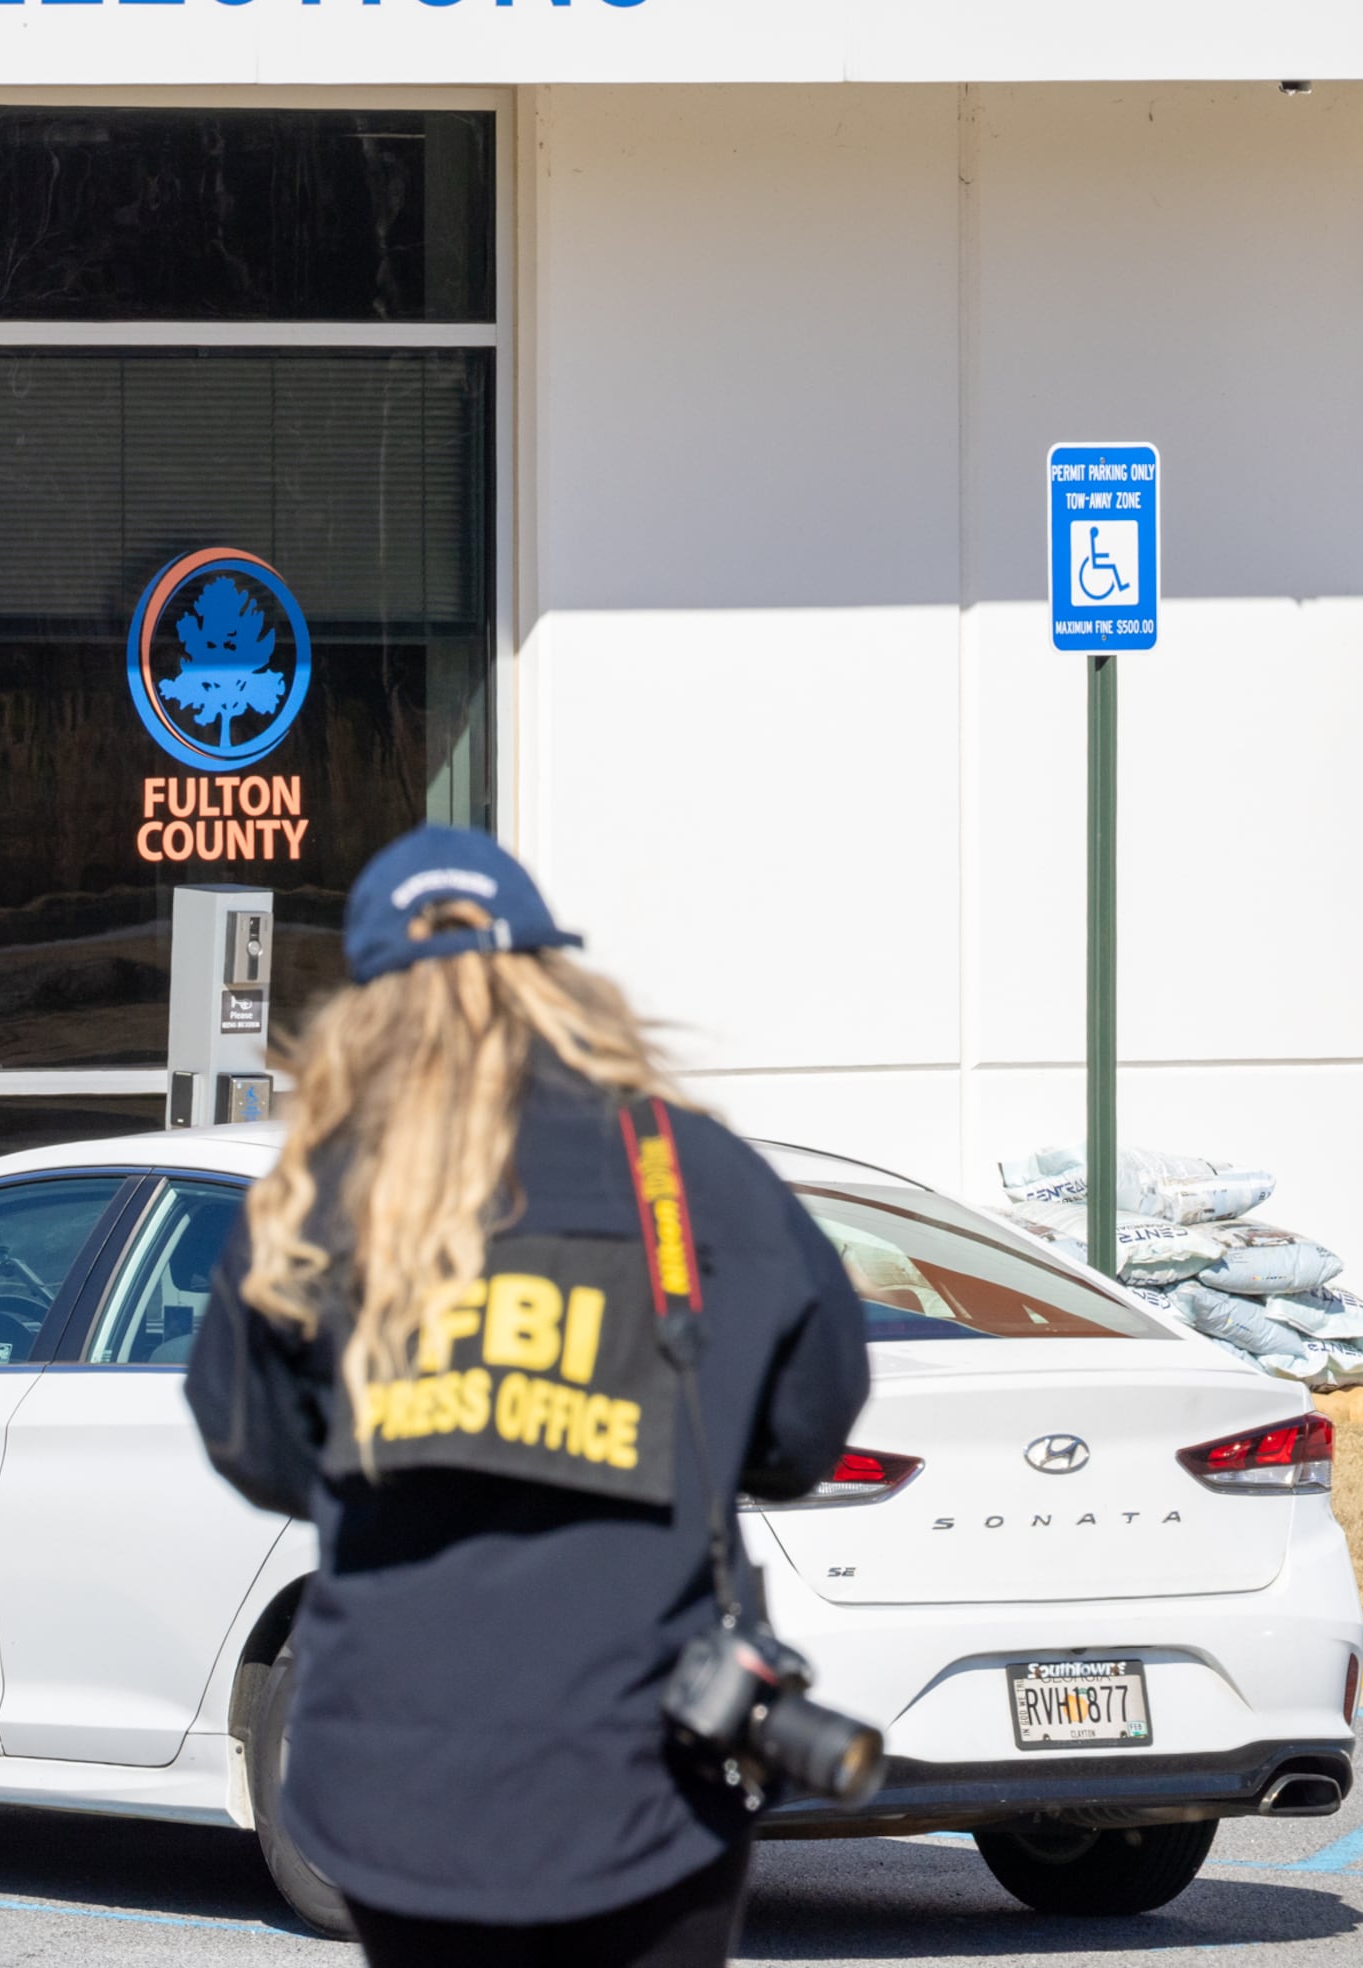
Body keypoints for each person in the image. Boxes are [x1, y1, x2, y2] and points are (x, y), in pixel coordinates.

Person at [185, 825, 868, 1966]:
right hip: (643, 1775)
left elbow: (252, 1442)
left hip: (399, 1783)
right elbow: (807, 1424)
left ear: (368, 1003)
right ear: (555, 973)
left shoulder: (324, 1187)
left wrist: (421, 1449)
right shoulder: (690, 1173)